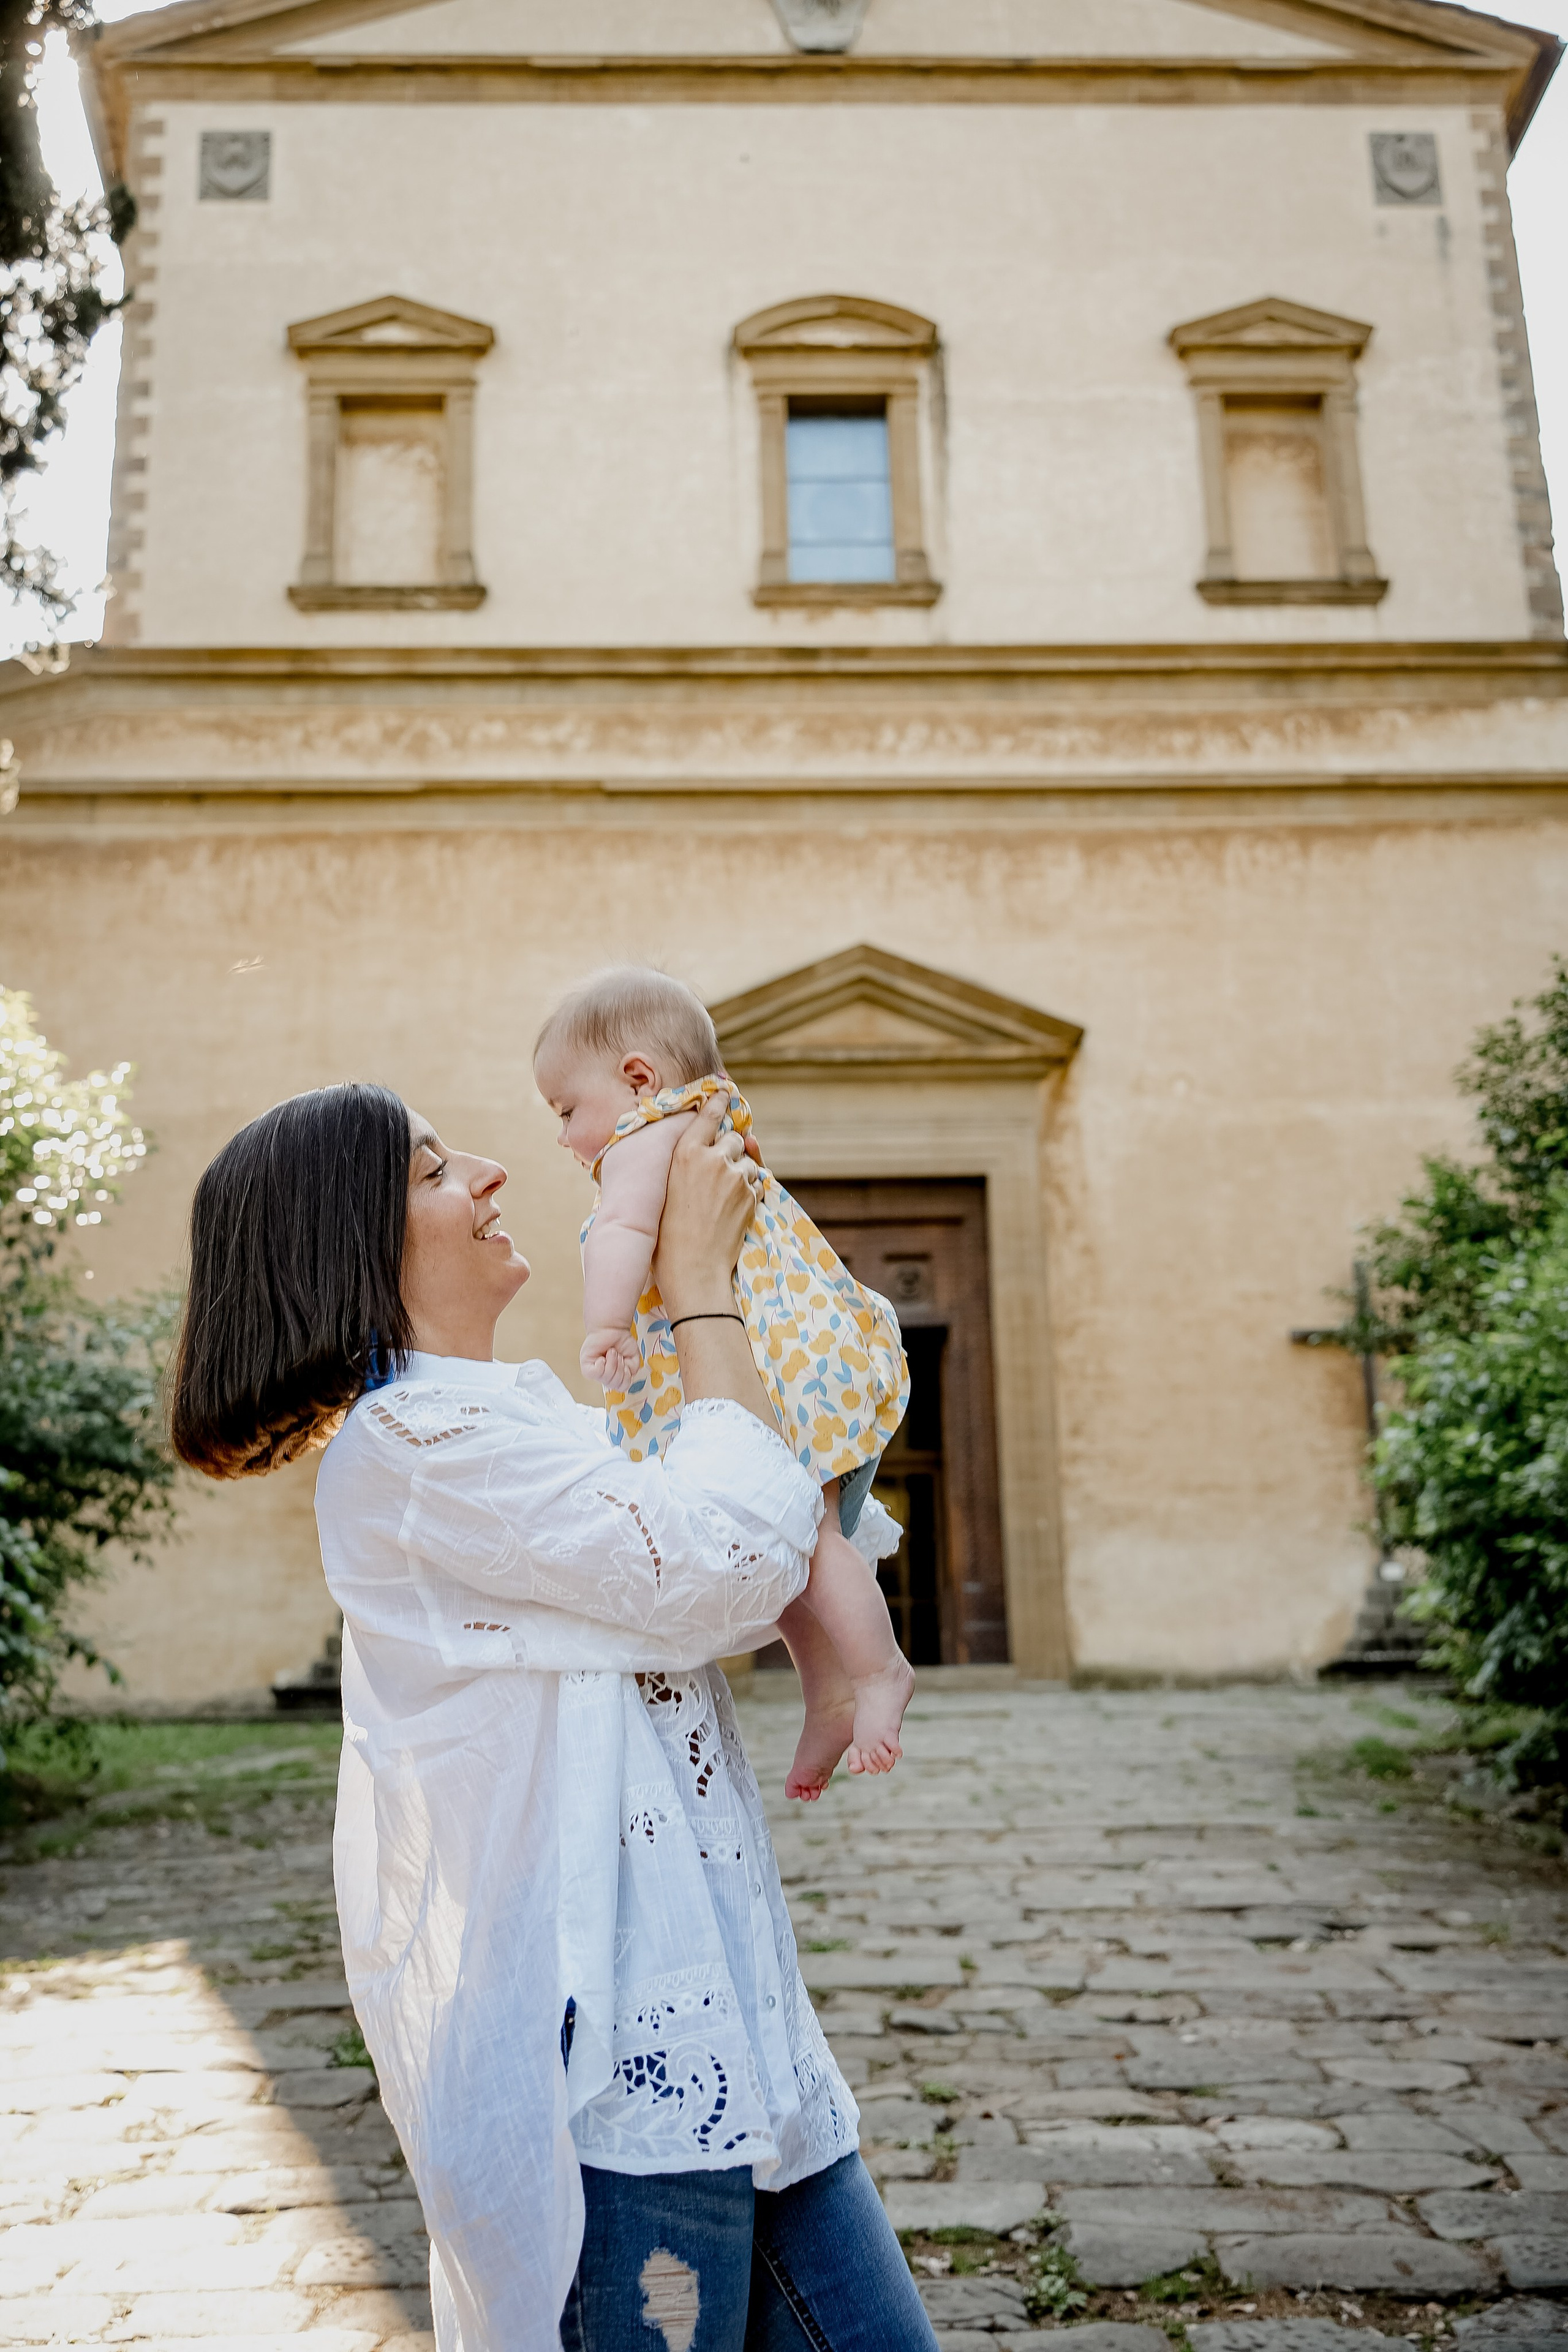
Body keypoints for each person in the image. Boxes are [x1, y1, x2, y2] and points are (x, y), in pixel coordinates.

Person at [168, 1082, 938, 2352]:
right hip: (609, 2083)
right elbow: (726, 1566)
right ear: (345, 1245)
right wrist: (696, 1286)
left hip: (737, 2035)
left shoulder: (518, 1418)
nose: (486, 1172)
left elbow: (775, 1537)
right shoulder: (417, 1452)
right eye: (429, 1172)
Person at [533, 968, 916, 1800]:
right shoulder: (711, 1118)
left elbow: (624, 1229)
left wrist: (603, 1326)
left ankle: (879, 1671)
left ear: (637, 1077)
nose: (564, 1137)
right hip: (797, 1347)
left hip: (772, 1363)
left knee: (809, 1536)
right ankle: (833, 1691)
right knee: (776, 1540)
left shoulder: (647, 1132)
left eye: (566, 1110)